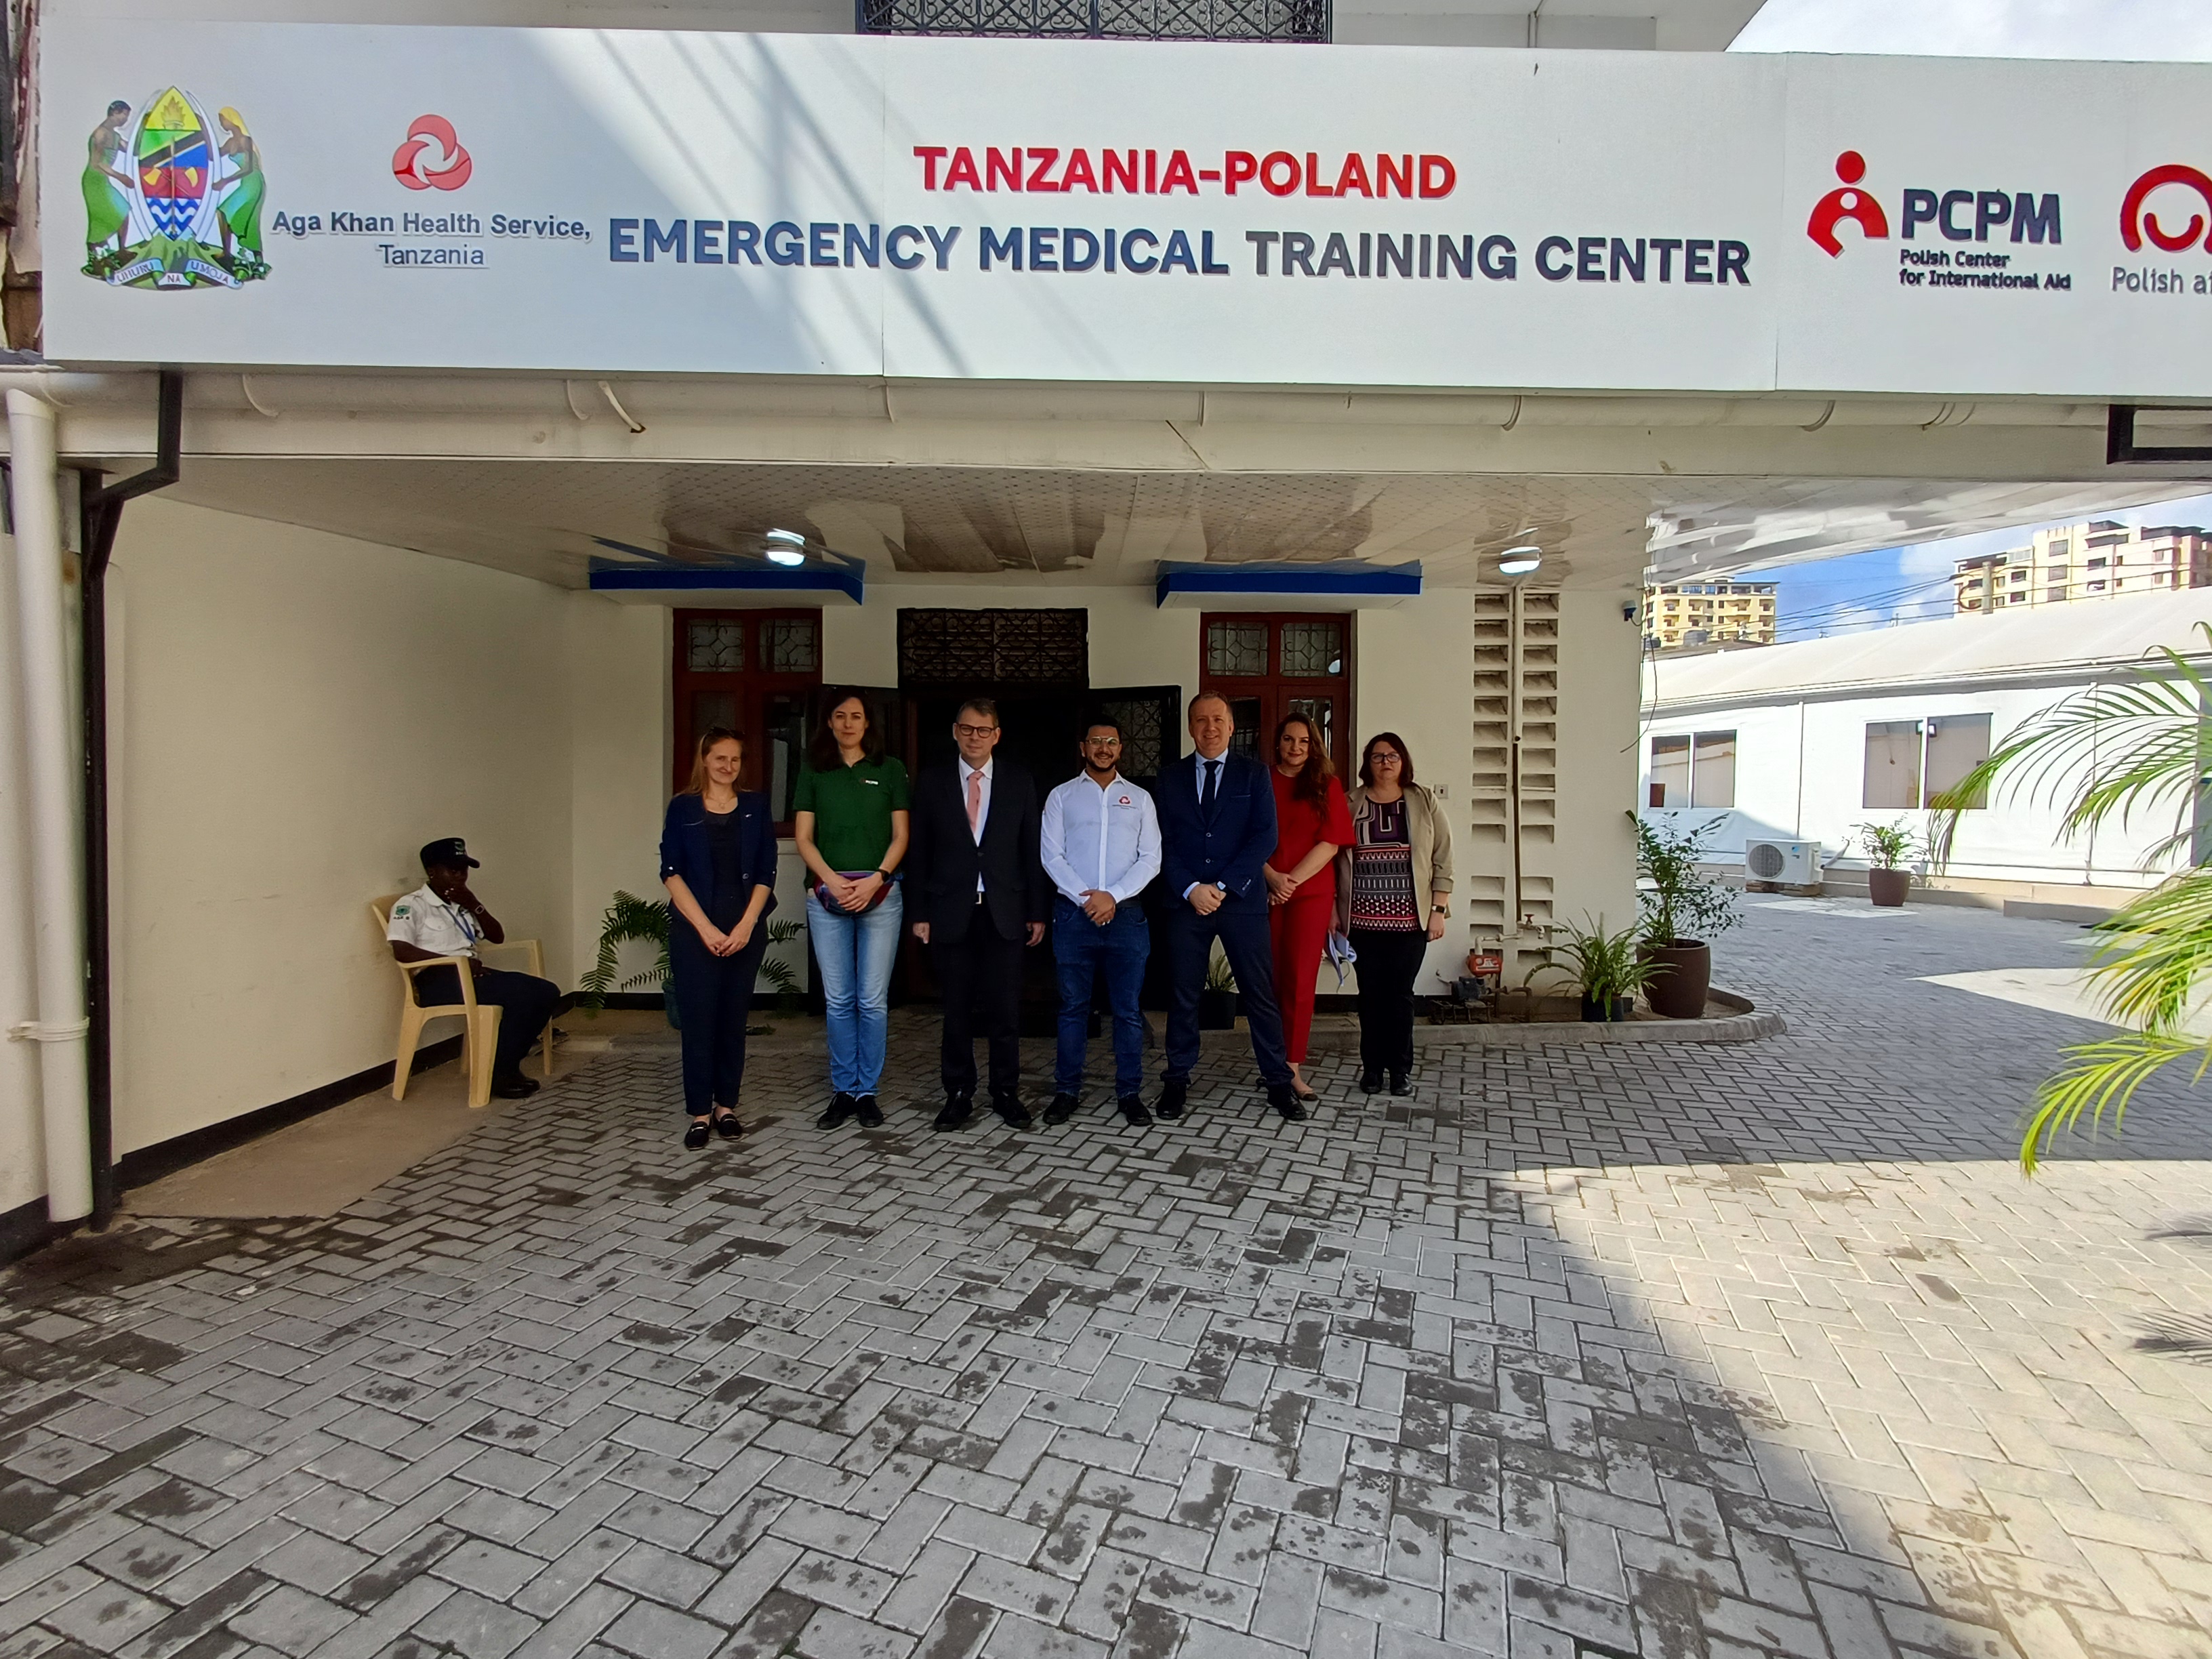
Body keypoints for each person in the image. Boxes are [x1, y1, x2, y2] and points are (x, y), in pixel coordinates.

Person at [1154, 693, 1300, 1123]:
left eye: (1218, 719)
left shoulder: (1254, 774)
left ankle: (1278, 1081)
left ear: (1232, 727)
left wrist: (1220, 886)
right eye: (1201, 720)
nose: (1210, 728)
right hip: (1187, 904)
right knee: (1183, 995)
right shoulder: (1169, 777)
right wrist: (1189, 888)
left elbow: (1264, 836)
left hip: (1240, 901)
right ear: (1190, 727)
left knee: (1259, 994)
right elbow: (1162, 841)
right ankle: (1177, 1079)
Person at [906, 697, 1048, 1131]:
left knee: (1005, 1011)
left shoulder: (1019, 781)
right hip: (951, 911)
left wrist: (1038, 911)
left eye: (983, 730)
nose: (974, 737)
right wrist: (920, 911)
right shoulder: (932, 782)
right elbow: (920, 850)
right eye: (967, 729)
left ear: (997, 736)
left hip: (1005, 912)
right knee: (956, 1010)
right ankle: (958, 1093)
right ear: (955, 731)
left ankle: (1005, 1091)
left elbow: (1032, 849)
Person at [793, 691, 910, 1130]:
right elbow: (804, 837)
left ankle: (868, 1092)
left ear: (868, 723)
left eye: (856, 716)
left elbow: (901, 836)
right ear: (828, 722)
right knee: (840, 1000)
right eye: (840, 716)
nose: (848, 723)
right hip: (827, 896)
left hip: (881, 895)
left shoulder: (890, 769)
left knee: (872, 1000)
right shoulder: (813, 769)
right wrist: (832, 880)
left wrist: (877, 878)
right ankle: (844, 1090)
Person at [1040, 715, 1162, 1127]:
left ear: (1121, 748)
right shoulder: (1061, 796)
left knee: (1127, 1011)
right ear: (1083, 748)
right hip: (1074, 916)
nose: (1103, 748)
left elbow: (1151, 858)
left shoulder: (1140, 799)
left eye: (1111, 742)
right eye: (1096, 741)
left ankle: (1129, 1092)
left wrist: (1114, 896)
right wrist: (1087, 898)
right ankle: (1066, 1091)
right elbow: (1051, 855)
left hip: (1126, 916)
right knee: (1073, 1008)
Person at [660, 727, 779, 1149]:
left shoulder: (755, 806)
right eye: (720, 759)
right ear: (704, 760)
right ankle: (699, 1113)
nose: (728, 766)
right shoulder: (683, 807)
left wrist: (746, 926)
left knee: (732, 1020)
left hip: (745, 930)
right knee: (698, 1023)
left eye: (735, 759)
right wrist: (706, 929)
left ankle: (726, 1107)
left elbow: (766, 870)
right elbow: (671, 872)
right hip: (695, 932)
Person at [386, 837, 560, 1102]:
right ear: (432, 871)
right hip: (437, 980)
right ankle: (500, 1073)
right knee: (523, 996)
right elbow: (401, 950)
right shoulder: (412, 904)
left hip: (469, 974)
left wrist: (474, 904)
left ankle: (504, 1065)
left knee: (546, 991)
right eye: (453, 870)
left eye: (464, 870)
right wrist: (455, 961)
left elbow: (497, 936)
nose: (460, 876)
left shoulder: (462, 903)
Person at [1336, 733, 1455, 1097]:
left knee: (1401, 996)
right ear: (1367, 763)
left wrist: (1438, 910)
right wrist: (1333, 910)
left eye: (1392, 756)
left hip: (1410, 922)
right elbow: (1334, 859)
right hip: (1362, 921)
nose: (1385, 762)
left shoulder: (1423, 800)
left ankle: (1400, 1071)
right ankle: (1372, 1069)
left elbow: (1443, 858)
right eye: (1377, 757)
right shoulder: (1350, 802)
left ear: (1403, 761)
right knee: (1370, 996)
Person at [1262, 713, 1354, 1101]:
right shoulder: (1261, 780)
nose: (1295, 747)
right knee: (1268, 980)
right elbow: (1245, 835)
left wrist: (1289, 883)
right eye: (1288, 739)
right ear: (1277, 742)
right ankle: (1270, 1062)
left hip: (1309, 894)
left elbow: (1330, 844)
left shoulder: (1327, 785)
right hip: (1265, 890)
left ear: (1314, 745)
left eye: (1303, 741)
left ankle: (1292, 1067)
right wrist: (1271, 877)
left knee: (1300, 982)